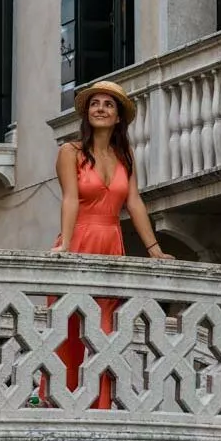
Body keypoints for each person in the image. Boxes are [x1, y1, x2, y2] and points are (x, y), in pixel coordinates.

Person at [48, 81, 173, 408]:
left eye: (108, 105)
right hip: (78, 238)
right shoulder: (69, 152)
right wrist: (66, 245)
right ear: (87, 114)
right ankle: (63, 402)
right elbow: (70, 200)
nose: (101, 108)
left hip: (110, 243)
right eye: (95, 104)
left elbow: (134, 203)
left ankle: (100, 403)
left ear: (118, 117)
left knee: (104, 332)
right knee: (71, 330)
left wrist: (153, 249)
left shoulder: (125, 156)